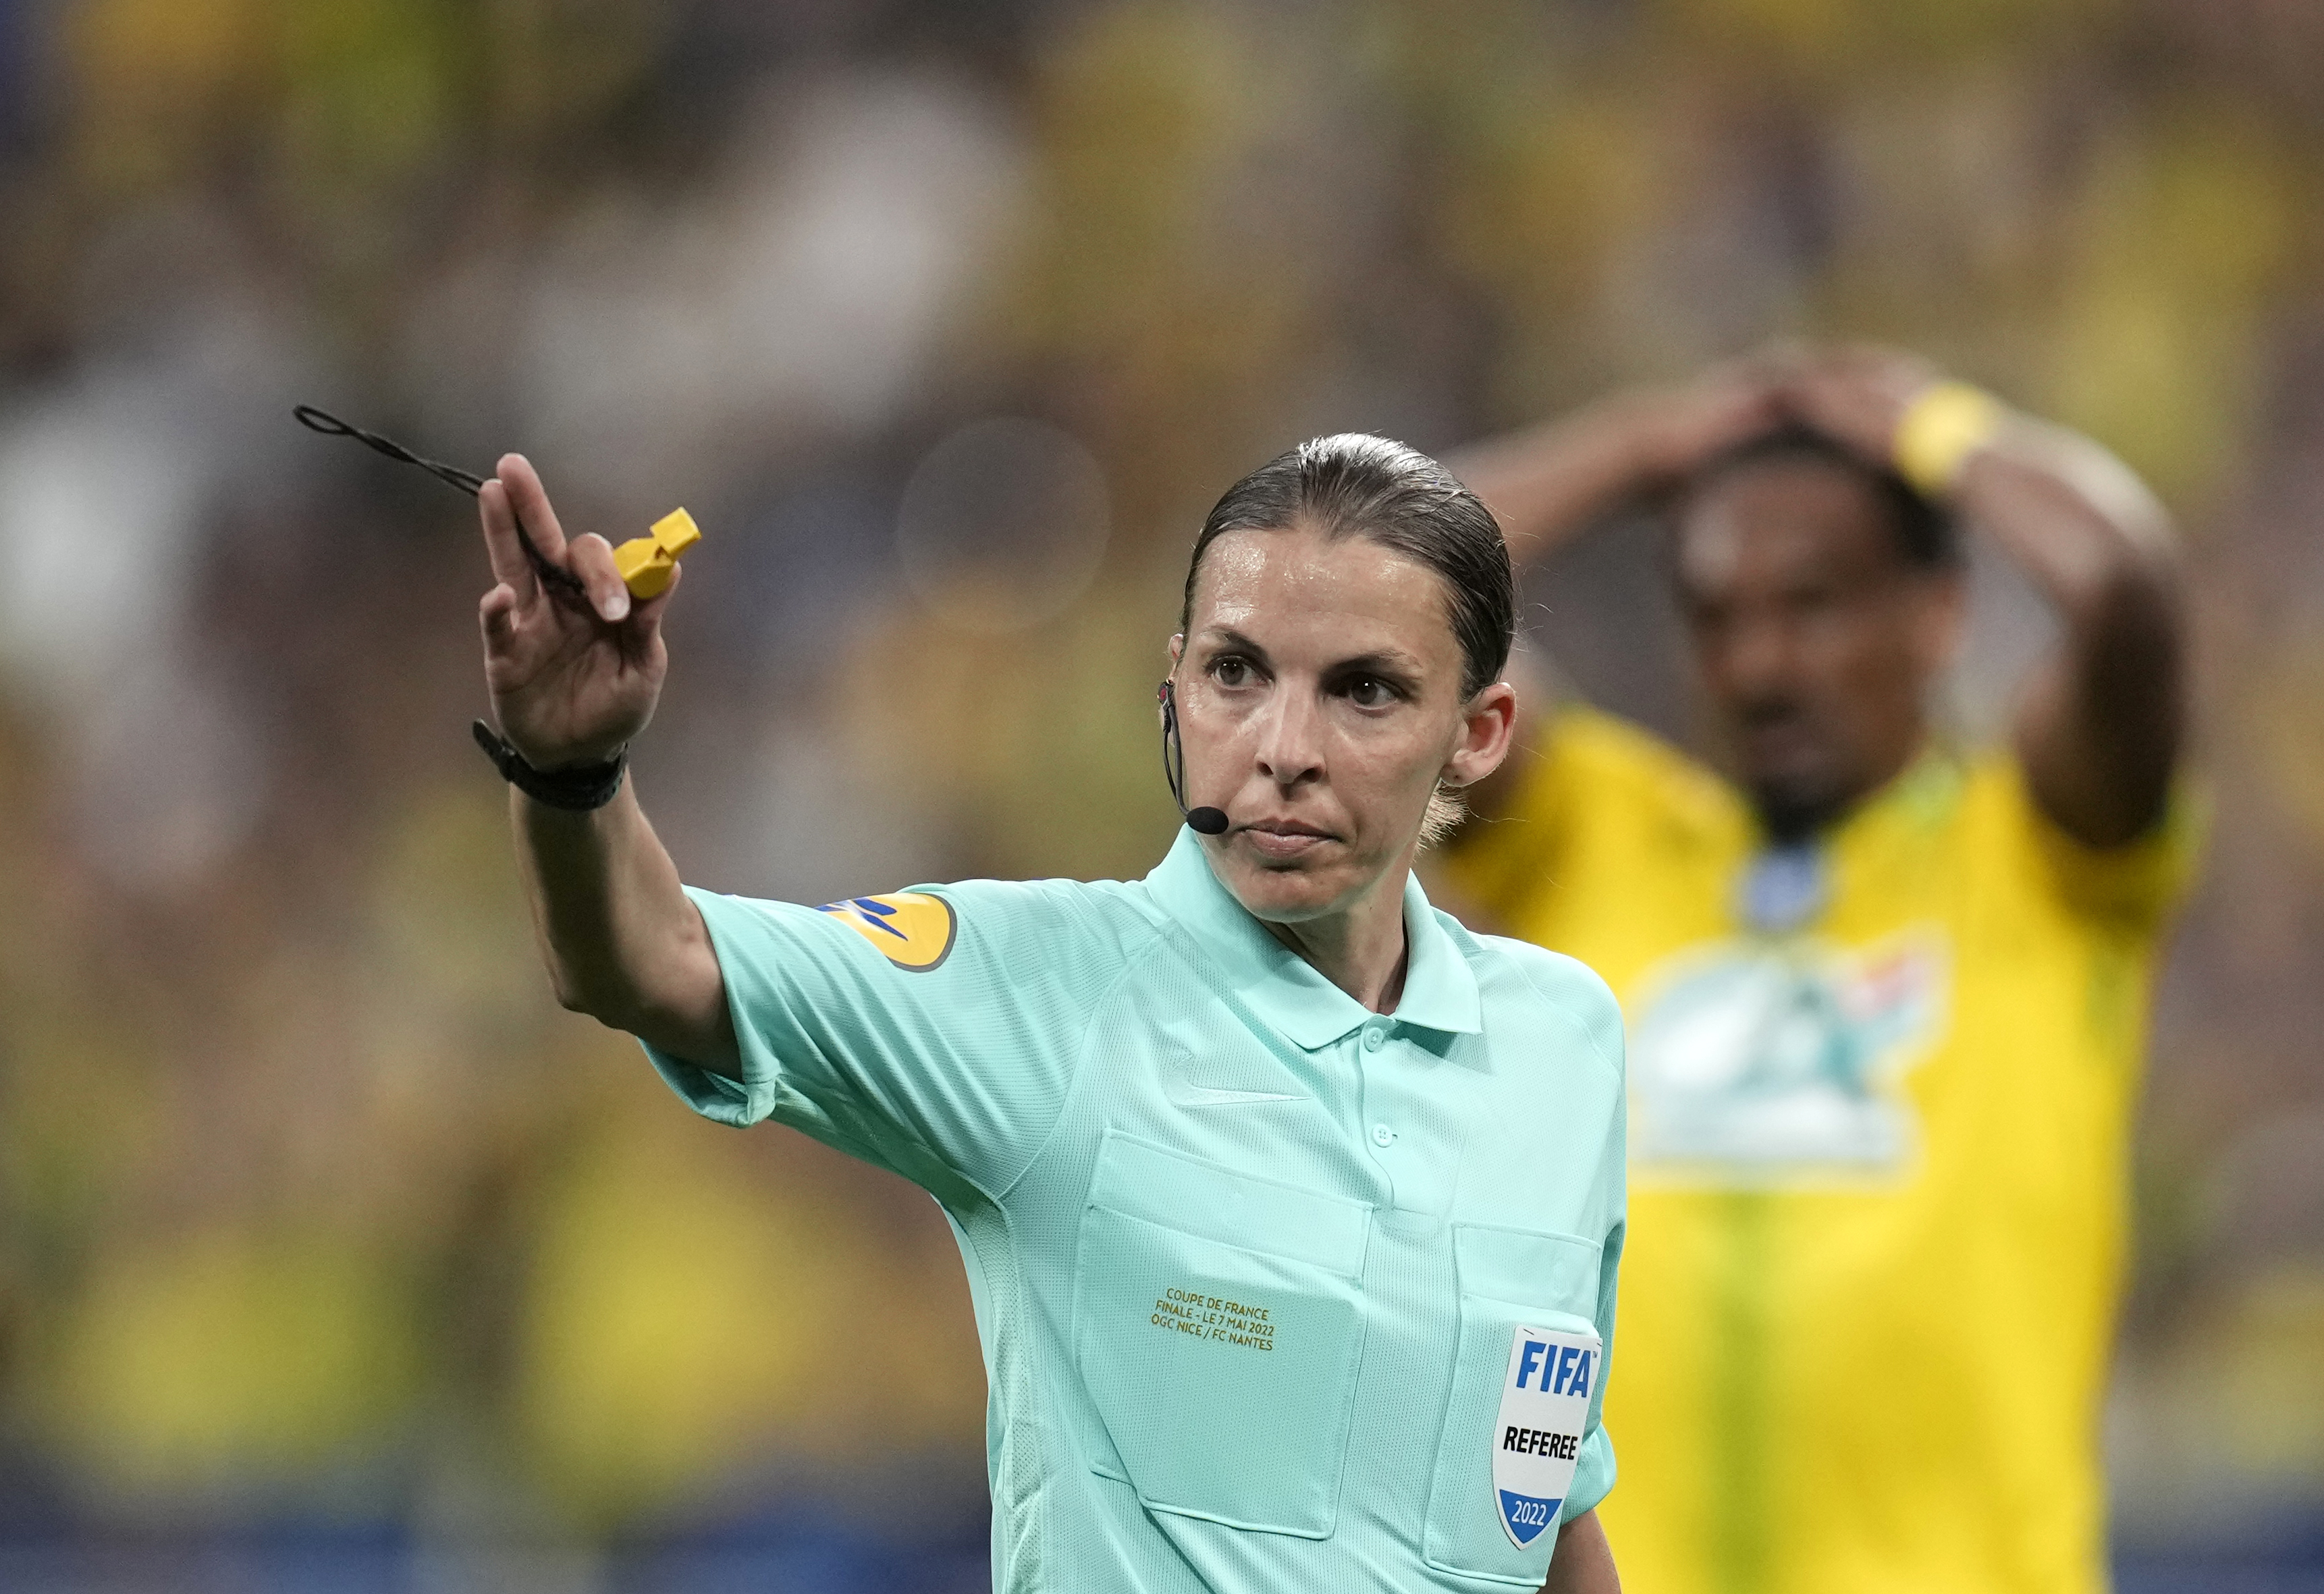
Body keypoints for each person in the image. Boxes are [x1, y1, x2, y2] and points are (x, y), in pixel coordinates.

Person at [470, 433, 1629, 1593]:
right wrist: (570, 774)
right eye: (1236, 673)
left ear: (1479, 733)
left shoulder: (1564, 1042)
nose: (1285, 750)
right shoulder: (1041, 988)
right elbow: (652, 960)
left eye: (1364, 690)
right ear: (1175, 685)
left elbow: (1545, 1502)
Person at [1443, 348, 2192, 1594]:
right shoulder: (1601, 839)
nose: (1760, 666)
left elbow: (2123, 590)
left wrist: (1936, 428)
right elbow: (1380, 586)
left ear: (1937, 614)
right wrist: (1642, 444)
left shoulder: (2038, 860)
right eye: (1718, 617)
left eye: (1813, 605)